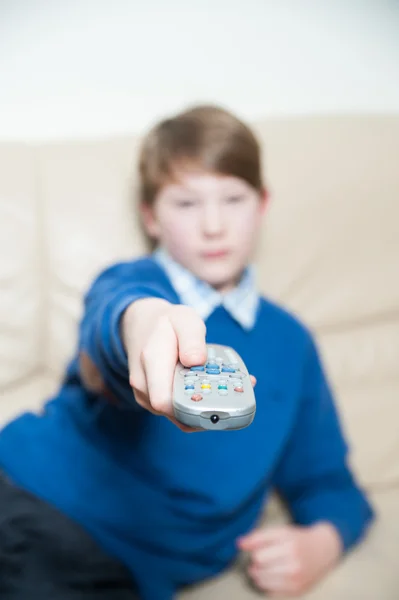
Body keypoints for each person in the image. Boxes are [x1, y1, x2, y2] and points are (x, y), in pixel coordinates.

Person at [0, 105, 374, 600]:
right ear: (151, 217)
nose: (214, 225)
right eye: (187, 204)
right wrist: (143, 324)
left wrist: (322, 543)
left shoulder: (292, 343)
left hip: (117, 568)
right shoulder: (131, 286)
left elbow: (329, 482)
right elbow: (106, 334)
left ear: (262, 205)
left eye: (233, 199)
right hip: (28, 486)